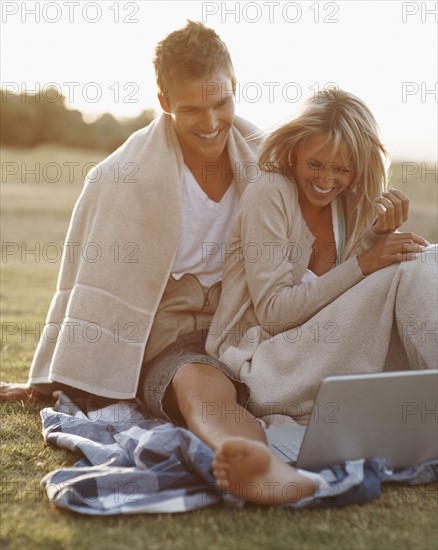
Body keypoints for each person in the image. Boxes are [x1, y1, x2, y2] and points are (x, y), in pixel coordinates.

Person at [1, 21, 320, 506]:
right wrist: (46, 380)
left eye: (222, 103)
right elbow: (85, 283)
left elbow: (330, 200)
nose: (212, 122)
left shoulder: (271, 158)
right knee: (199, 381)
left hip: (246, 323)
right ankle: (255, 464)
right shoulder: (119, 177)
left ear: (236, 85)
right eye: (192, 109)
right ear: (165, 101)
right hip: (171, 334)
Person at [206, 89, 436, 490]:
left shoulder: (349, 204)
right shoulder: (270, 194)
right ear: (294, 150)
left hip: (320, 358)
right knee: (409, 268)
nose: (327, 180)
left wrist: (374, 238)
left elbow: (344, 301)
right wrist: (368, 261)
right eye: (315, 164)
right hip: (264, 365)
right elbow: (276, 314)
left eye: (343, 170)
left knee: (427, 256)